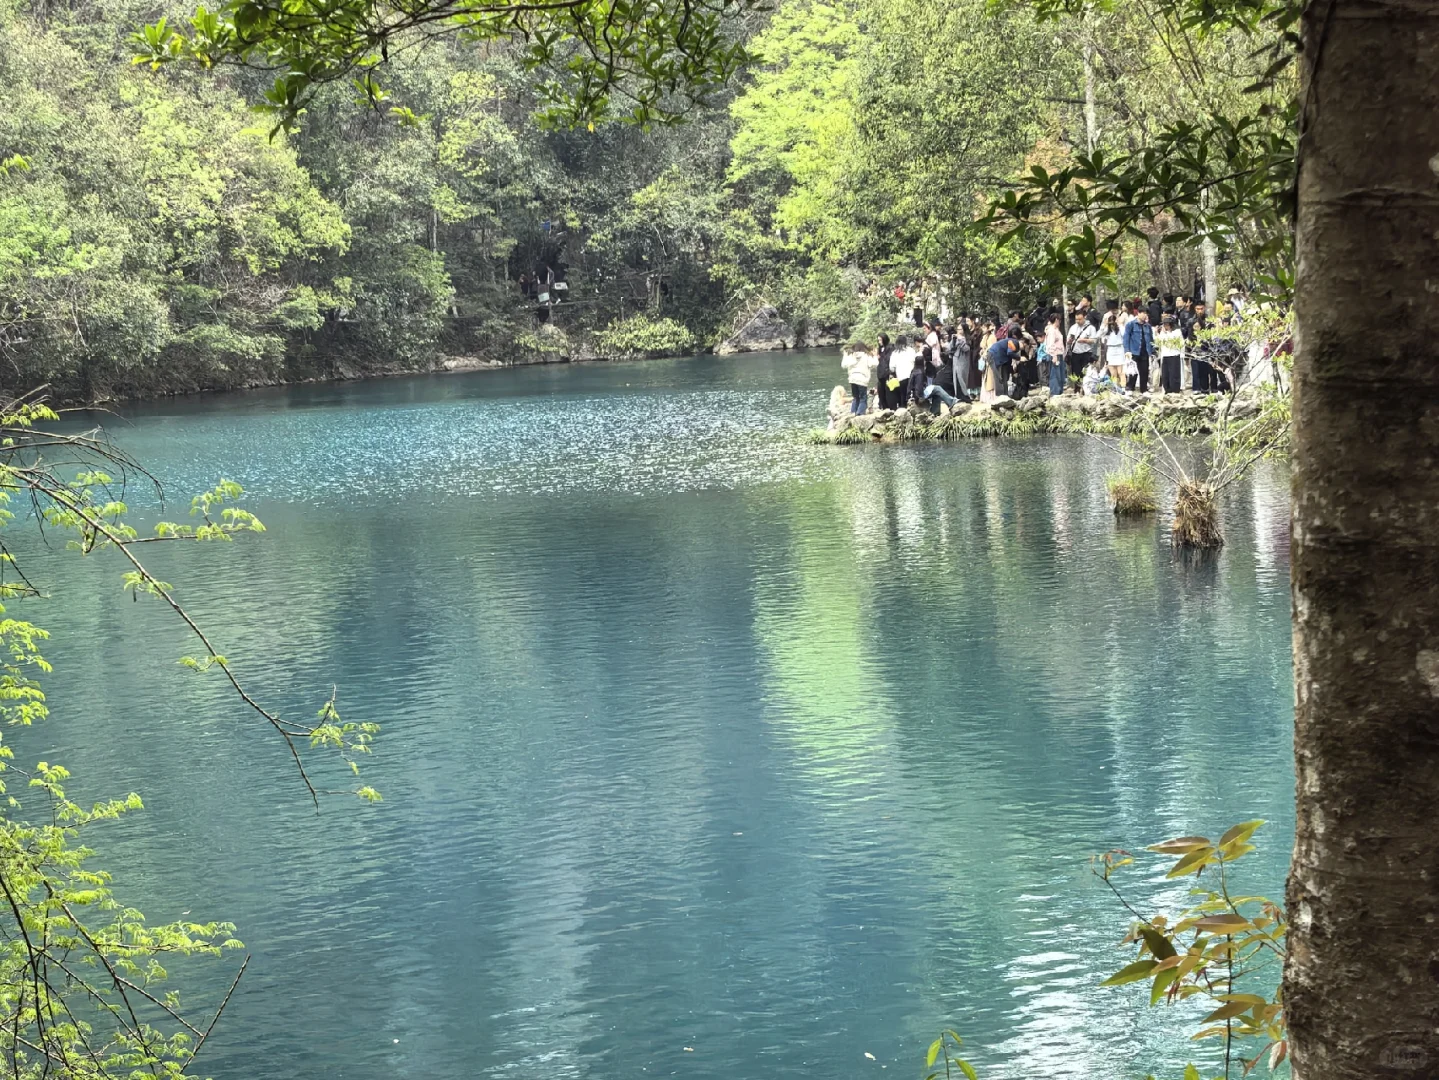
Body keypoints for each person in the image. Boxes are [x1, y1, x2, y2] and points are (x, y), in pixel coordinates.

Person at [1122, 308, 1155, 393]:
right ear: (1138, 313)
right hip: (1134, 351)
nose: (1145, 315)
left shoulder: (1148, 326)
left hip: (1145, 351)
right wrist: (1127, 350)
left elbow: (1151, 339)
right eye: (1143, 313)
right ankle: (1130, 388)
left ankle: (1144, 390)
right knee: (1132, 371)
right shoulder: (1131, 324)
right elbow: (1126, 338)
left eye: (1146, 314)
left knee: (1144, 371)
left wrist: (1152, 350)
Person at [840, 342, 877, 415]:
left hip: (852, 379)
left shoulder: (851, 355)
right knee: (863, 398)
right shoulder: (866, 356)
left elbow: (843, 365)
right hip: (862, 379)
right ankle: (859, 413)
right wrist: (875, 356)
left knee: (856, 397)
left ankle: (853, 412)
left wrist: (845, 355)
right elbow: (874, 364)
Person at [1155, 313, 1185, 394]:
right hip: (1165, 355)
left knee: (1174, 374)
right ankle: (1167, 390)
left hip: (1174, 354)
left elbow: (1179, 342)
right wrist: (1158, 333)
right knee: (1165, 374)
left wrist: (1182, 354)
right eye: (1165, 324)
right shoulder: (1163, 332)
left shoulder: (1177, 332)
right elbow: (1159, 342)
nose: (1166, 326)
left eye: (1167, 324)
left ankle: (1175, 390)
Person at [1066, 309, 1098, 383]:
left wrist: (1084, 340)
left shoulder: (1091, 328)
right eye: (1076, 319)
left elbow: (1094, 340)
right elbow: (1068, 340)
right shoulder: (1073, 327)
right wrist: (1070, 340)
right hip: (1075, 353)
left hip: (1086, 353)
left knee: (1085, 372)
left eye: (1080, 319)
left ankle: (1086, 386)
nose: (1078, 321)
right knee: (1075, 372)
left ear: (1084, 317)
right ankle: (1077, 387)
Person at [1187, 301, 1214, 393]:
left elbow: (1211, 335)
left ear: (1204, 308)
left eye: (1201, 309)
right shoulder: (1191, 321)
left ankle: (1205, 389)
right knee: (1195, 372)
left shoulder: (1209, 321)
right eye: (1197, 309)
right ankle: (1196, 389)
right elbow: (1188, 335)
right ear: (1195, 309)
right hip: (1194, 350)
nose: (1199, 311)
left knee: (1204, 371)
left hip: (1205, 350)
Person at [1101, 311, 1126, 390]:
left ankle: (1123, 388)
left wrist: (1120, 324)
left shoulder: (1119, 329)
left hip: (1119, 349)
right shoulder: (1107, 330)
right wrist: (1104, 325)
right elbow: (1100, 335)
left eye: (1113, 322)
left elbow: (1124, 334)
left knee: (1120, 372)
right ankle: (1115, 388)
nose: (1112, 324)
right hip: (1110, 350)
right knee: (1113, 373)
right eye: (1110, 323)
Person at [1043, 312, 1066, 395]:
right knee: (1055, 374)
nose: (1060, 322)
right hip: (1054, 354)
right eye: (1059, 320)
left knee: (1060, 374)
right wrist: (1054, 355)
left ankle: (1059, 391)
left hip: (1059, 353)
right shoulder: (1051, 330)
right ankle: (1055, 392)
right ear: (1056, 320)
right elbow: (1050, 344)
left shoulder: (1056, 330)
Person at [890, 336, 916, 407]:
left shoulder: (895, 353)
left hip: (901, 377)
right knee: (912, 394)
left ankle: (903, 407)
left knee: (902, 394)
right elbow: (915, 361)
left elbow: (892, 367)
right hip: (911, 375)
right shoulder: (911, 350)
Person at [875, 333, 897, 409]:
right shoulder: (880, 349)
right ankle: (883, 406)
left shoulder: (890, 347)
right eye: (878, 340)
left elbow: (888, 359)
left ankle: (890, 407)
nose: (879, 342)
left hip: (887, 372)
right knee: (881, 391)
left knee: (889, 391)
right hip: (881, 372)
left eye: (880, 340)